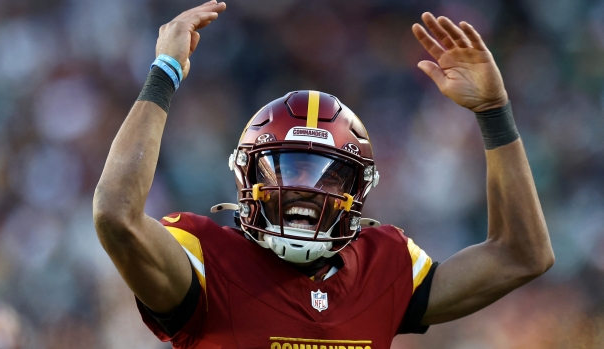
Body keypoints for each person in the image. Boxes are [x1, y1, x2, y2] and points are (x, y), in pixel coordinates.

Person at [92, 1, 555, 348]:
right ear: (247, 174)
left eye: (329, 176)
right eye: (287, 168)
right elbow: (116, 216)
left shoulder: (384, 266)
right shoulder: (204, 260)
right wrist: (165, 72)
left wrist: (494, 113)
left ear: (359, 188)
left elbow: (523, 255)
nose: (305, 191)